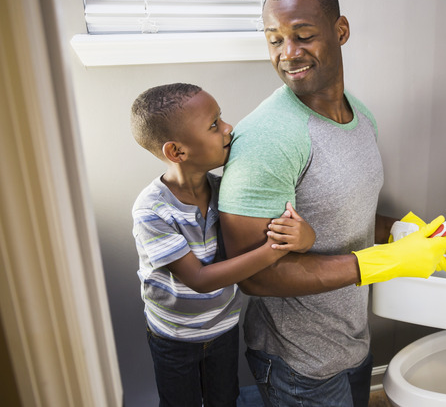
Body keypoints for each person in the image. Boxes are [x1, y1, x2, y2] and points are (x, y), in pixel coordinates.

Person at [217, 0, 446, 406]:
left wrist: (402, 232)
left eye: (304, 35)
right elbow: (253, 276)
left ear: (341, 31)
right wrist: (383, 262)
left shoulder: (361, 117)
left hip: (351, 340)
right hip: (299, 363)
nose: (288, 54)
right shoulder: (268, 137)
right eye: (274, 40)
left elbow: (338, 211)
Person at [130, 82, 316, 407]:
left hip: (223, 328)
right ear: (177, 152)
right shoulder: (152, 211)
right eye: (214, 125)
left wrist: (305, 237)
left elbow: (290, 233)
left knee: (224, 400)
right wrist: (278, 247)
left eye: (222, 119)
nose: (229, 128)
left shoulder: (225, 191)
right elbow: (200, 280)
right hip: (175, 337)